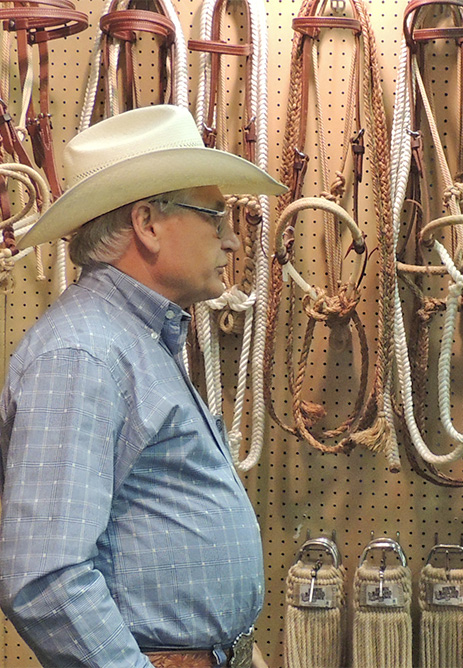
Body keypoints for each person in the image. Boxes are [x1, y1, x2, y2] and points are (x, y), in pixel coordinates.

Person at [0, 104, 286, 668]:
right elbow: (44, 577)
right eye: (215, 215)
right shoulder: (82, 354)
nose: (231, 240)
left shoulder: (128, 340)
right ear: (148, 223)